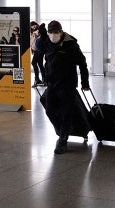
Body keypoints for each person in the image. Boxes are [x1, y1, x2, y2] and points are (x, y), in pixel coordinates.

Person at [43, 20, 90, 154]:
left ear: (61, 31)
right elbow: (44, 58)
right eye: (50, 32)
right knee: (49, 111)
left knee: (66, 113)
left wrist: (85, 83)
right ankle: (64, 130)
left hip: (67, 85)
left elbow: (82, 63)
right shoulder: (48, 42)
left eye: (56, 32)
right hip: (52, 84)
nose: (53, 35)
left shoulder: (71, 45)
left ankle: (63, 140)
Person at [30, 21, 44, 87]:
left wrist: (37, 35)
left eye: (34, 25)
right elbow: (31, 42)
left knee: (33, 63)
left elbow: (39, 36)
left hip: (39, 50)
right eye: (32, 25)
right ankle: (43, 80)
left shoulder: (39, 31)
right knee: (40, 64)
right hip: (36, 51)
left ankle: (38, 79)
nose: (34, 26)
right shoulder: (32, 33)